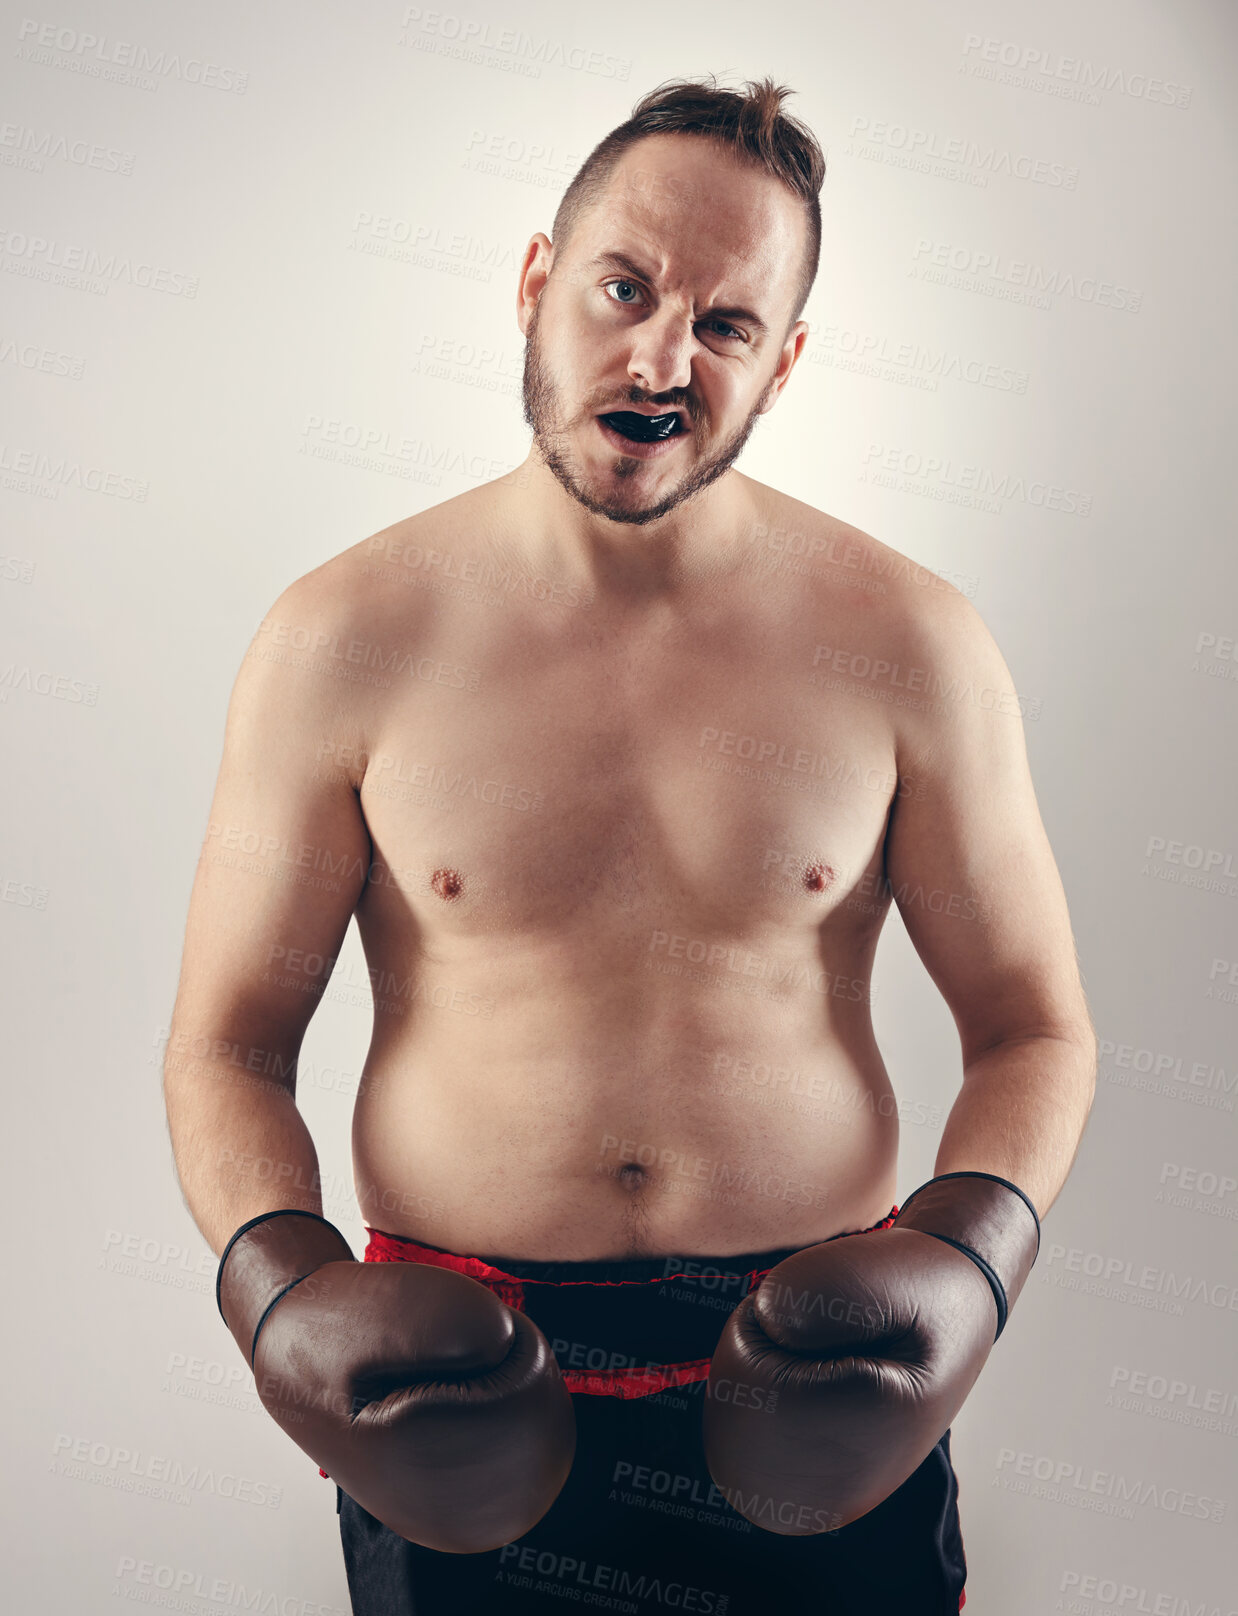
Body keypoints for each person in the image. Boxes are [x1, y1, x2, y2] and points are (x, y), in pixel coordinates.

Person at [163, 74, 1097, 1615]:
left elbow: (1033, 1024)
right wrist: (280, 1295)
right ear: (536, 284)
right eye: (625, 286)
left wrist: (972, 1259)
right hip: (453, 1409)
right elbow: (226, 1048)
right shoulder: (343, 638)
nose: (663, 354)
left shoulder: (909, 642)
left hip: (830, 1385)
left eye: (727, 325)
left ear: (782, 365)